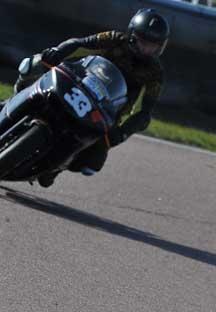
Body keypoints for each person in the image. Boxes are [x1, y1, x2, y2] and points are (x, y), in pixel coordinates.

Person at [10, 8, 169, 187]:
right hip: (80, 83)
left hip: (107, 112)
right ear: (132, 35)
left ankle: (58, 165)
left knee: (93, 162)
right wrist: (57, 53)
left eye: (153, 46)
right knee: (37, 63)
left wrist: (121, 133)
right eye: (143, 42)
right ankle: (15, 98)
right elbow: (80, 43)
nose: (147, 49)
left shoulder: (155, 73)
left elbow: (144, 112)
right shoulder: (115, 38)